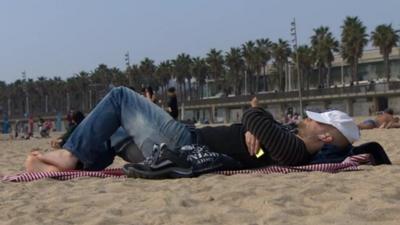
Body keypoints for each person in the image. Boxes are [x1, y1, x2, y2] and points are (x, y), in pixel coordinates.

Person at [24, 87, 359, 173]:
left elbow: (253, 116)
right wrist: (257, 128)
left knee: (120, 97)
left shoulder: (296, 148)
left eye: (316, 120)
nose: (307, 119)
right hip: (180, 140)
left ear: (326, 135)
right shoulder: (287, 139)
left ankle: (68, 155)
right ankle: (74, 162)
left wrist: (256, 120)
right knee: (116, 128)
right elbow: (255, 125)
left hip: (184, 142)